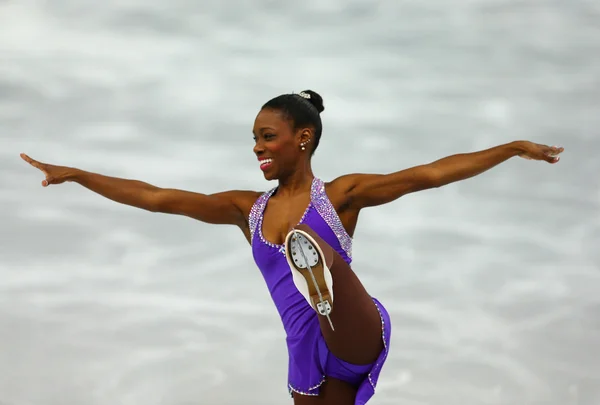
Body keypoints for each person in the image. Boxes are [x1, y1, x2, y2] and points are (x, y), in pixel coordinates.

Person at [20, 89, 564, 405]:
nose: (256, 146)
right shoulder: (246, 210)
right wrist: (79, 174)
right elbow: (158, 198)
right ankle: (315, 276)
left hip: (351, 328)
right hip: (305, 352)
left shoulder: (342, 195)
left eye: (266, 136)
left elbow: (428, 174)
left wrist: (513, 147)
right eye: (254, 138)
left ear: (302, 138)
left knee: (323, 263)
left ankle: (320, 267)